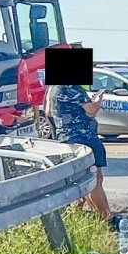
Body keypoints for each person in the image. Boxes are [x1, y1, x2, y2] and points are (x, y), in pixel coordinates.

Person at [45, 80, 117, 227]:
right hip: (83, 137)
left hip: (67, 139)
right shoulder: (70, 87)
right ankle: (107, 218)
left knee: (81, 180)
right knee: (94, 180)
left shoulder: (53, 88)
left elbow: (48, 112)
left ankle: (74, 215)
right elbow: (91, 110)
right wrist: (97, 102)